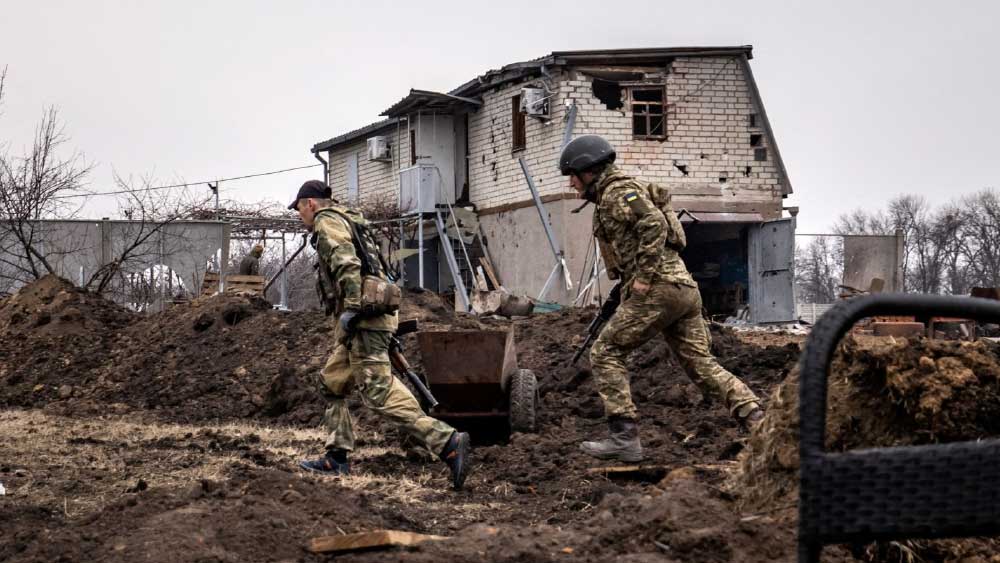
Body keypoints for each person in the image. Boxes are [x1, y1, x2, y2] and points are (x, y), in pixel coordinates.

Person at [559, 135, 764, 463]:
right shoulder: (626, 190)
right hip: (683, 289)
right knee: (700, 363)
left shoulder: (615, 193)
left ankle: (624, 437)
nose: (570, 183)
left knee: (606, 352)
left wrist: (642, 278)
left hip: (659, 289)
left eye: (572, 174)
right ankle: (756, 419)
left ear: (589, 170)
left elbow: (653, 224)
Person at [288, 180, 471, 490]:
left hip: (364, 318)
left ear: (311, 204)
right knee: (332, 383)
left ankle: (446, 442)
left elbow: (346, 261)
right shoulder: (350, 217)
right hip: (371, 316)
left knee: (378, 392)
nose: (299, 216)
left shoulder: (326, 221)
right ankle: (336, 458)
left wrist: (354, 309)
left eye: (299, 209)